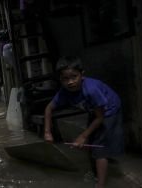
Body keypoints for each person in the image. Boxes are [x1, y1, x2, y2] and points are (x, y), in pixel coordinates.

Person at [43, 56, 124, 188]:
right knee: (90, 142)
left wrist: (83, 136)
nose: (70, 82)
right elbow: (48, 108)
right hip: (95, 111)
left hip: (109, 110)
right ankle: (96, 168)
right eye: (65, 79)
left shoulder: (91, 90)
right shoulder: (64, 92)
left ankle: (100, 184)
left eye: (74, 77)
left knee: (100, 147)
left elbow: (100, 118)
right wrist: (47, 132)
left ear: (82, 75)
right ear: (60, 80)